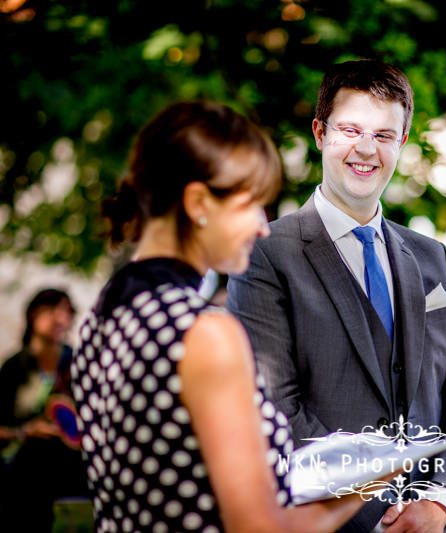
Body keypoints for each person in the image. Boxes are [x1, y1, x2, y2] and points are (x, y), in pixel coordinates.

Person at [71, 101, 369, 532]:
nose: (263, 226)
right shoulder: (206, 333)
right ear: (198, 202)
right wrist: (363, 484)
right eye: (252, 205)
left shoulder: (101, 318)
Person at [227, 59, 446, 532]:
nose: (366, 149)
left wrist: (440, 502)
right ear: (320, 132)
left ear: (403, 142)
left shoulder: (434, 259)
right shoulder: (266, 254)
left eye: (385, 135)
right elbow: (274, 411)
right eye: (350, 129)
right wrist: (377, 518)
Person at [0, 288, 88, 531]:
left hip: (70, 474)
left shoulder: (77, 363)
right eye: (51, 310)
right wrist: (24, 432)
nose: (60, 318)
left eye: (66, 311)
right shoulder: (14, 368)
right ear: (32, 315)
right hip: (21, 478)